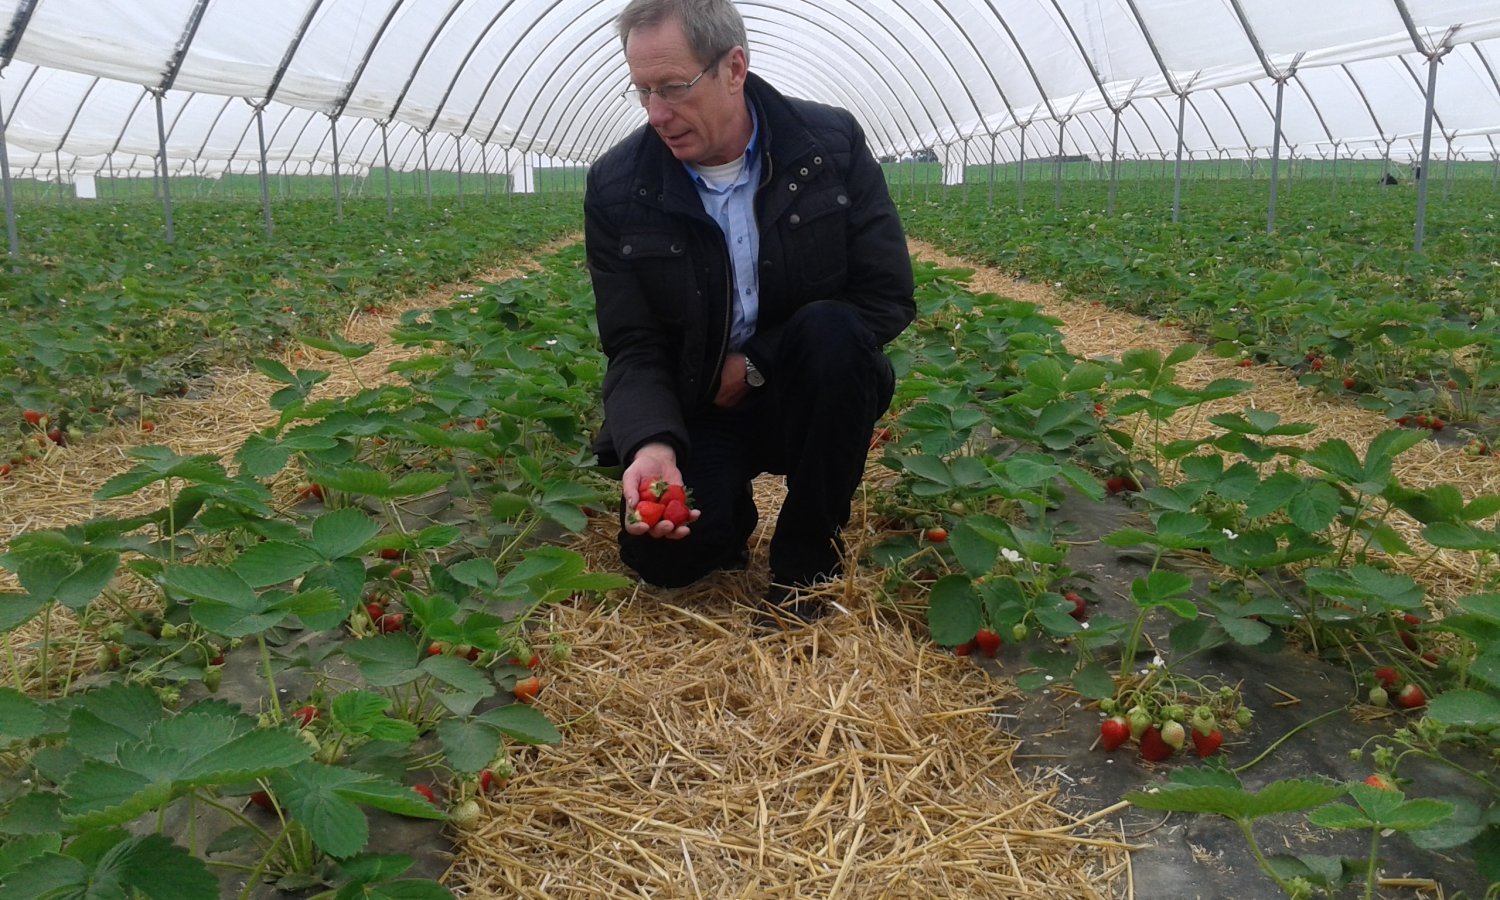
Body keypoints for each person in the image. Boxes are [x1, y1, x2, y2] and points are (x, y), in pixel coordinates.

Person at [584, 0, 915, 621]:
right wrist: (651, 445)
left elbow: (886, 295)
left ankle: (806, 558)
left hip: (806, 393)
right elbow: (634, 342)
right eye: (643, 91)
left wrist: (756, 362)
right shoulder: (618, 186)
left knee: (835, 330)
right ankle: (729, 515)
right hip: (700, 404)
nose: (658, 113)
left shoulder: (829, 146)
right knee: (666, 559)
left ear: (734, 68)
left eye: (674, 88)